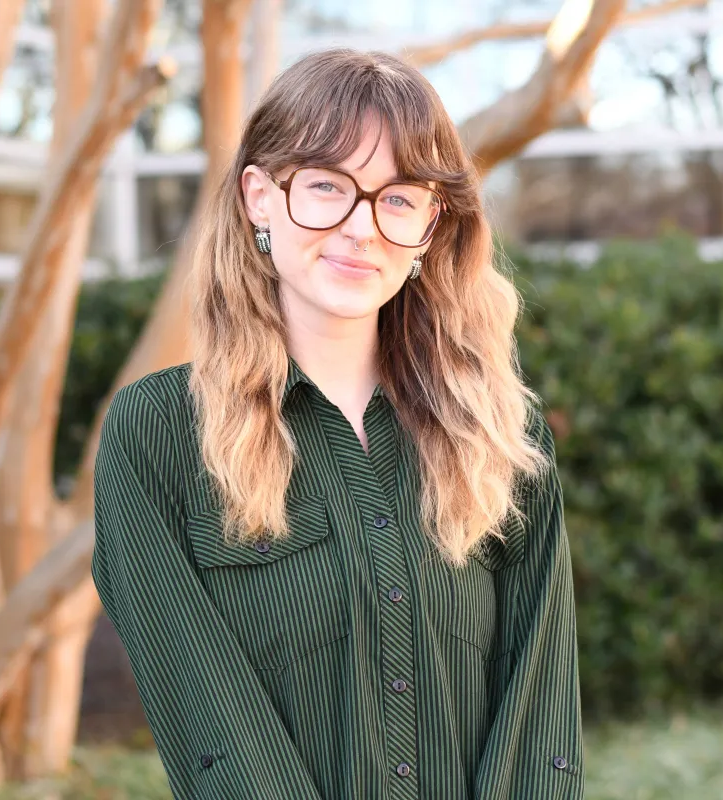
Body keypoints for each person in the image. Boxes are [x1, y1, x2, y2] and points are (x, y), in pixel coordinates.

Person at [91, 48, 583, 800]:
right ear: (260, 195)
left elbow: (539, 712)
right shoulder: (157, 436)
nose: (362, 228)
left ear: (431, 223)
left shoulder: (501, 438)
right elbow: (210, 724)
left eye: (398, 197)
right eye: (327, 186)